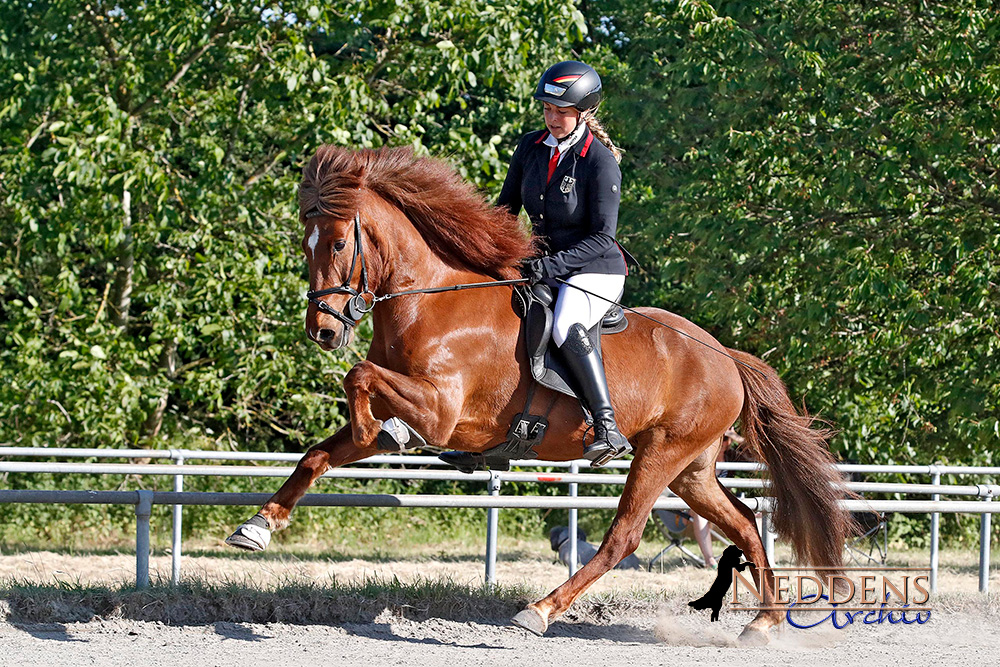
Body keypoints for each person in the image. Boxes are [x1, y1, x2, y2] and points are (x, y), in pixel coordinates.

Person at [498, 60, 629, 467]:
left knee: (566, 321)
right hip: (543, 263)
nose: (552, 118)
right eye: (547, 110)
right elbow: (505, 209)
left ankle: (607, 426)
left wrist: (550, 266)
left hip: (595, 268)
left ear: (583, 112)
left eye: (561, 111)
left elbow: (603, 236)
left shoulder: (599, 162)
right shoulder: (530, 148)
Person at [691, 427, 746, 567]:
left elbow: (757, 455)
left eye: (725, 438)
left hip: (723, 507)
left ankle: (757, 556)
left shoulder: (733, 457)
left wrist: (735, 436)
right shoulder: (701, 457)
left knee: (756, 512)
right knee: (699, 512)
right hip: (700, 507)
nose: (721, 441)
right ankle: (710, 561)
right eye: (717, 437)